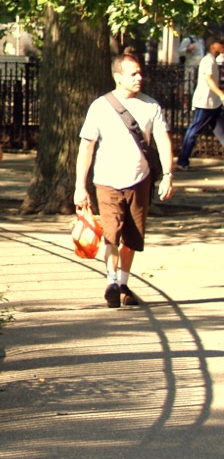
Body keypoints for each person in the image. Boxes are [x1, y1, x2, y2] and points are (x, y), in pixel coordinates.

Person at [75, 51, 174, 307]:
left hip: (139, 180)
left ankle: (123, 283)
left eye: (140, 73)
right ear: (118, 77)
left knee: (132, 236)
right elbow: (86, 147)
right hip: (107, 181)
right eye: (133, 74)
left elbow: (163, 141)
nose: (139, 77)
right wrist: (80, 186)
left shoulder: (151, 106)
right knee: (111, 232)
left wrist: (168, 175)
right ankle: (111, 281)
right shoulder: (100, 106)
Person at [176, 38, 224, 170]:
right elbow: (208, 80)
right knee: (193, 132)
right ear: (213, 45)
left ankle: (182, 161)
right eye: (220, 43)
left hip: (214, 103)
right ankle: (182, 161)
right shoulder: (207, 60)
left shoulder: (213, 59)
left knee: (222, 132)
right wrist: (221, 94)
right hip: (205, 102)